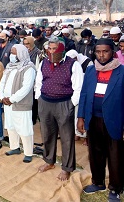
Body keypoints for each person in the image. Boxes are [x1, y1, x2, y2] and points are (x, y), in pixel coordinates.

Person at [78, 38, 124, 201]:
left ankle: (116, 188)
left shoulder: (121, 71)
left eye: (105, 51)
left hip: (114, 120)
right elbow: (84, 94)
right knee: (95, 153)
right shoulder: (91, 70)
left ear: (113, 52)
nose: (102, 55)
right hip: (93, 118)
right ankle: (98, 182)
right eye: (98, 51)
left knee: (115, 156)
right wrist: (81, 117)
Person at [35, 39, 84, 181]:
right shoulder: (44, 63)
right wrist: (39, 98)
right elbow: (38, 82)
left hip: (64, 104)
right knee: (47, 134)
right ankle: (49, 161)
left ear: (61, 50)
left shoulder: (73, 65)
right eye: (49, 48)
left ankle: (67, 168)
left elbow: (78, 87)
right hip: (46, 102)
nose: (51, 51)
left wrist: (71, 104)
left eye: (54, 48)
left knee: (67, 137)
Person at [0, 44, 36, 162]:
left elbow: (26, 87)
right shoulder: (9, 66)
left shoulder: (29, 68)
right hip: (7, 103)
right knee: (11, 126)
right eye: (11, 53)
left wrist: (12, 99)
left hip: (20, 104)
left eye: (14, 53)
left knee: (24, 129)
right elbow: (2, 83)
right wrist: (2, 97)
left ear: (21, 54)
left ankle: (28, 153)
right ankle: (15, 147)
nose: (12, 55)